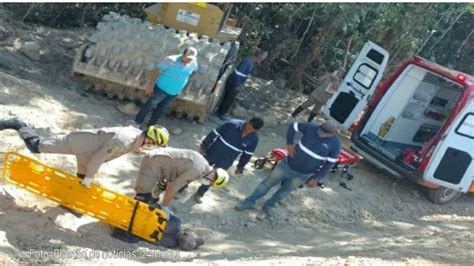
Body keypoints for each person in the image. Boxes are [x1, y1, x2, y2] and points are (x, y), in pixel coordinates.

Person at [0, 117, 170, 186]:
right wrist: (90, 178)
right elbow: (98, 159)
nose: (149, 146)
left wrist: (86, 178)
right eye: (152, 143)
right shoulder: (124, 140)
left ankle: (70, 202)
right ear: (149, 137)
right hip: (78, 144)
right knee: (35, 146)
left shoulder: (135, 138)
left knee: (81, 180)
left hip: (87, 153)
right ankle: (17, 124)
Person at [235, 121, 341, 217]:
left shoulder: (335, 144)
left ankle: (268, 206)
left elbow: (329, 164)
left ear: (332, 134)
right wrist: (289, 144)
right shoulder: (310, 127)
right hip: (286, 165)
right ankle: (248, 203)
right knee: (266, 184)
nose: (320, 134)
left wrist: (317, 178)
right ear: (320, 126)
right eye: (320, 131)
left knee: (284, 191)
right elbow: (292, 126)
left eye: (324, 134)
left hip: (303, 175)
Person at [184, 117, 264, 203]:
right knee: (198, 169)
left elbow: (247, 154)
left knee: (214, 177)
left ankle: (200, 193)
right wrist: (204, 146)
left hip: (226, 161)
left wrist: (240, 166)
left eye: (252, 131)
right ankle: (182, 186)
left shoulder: (254, 139)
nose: (249, 131)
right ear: (248, 122)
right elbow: (213, 134)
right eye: (248, 128)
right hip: (212, 153)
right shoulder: (231, 124)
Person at [133, 147, 230, 217]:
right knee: (143, 196)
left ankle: (144, 209)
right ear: (212, 175)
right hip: (154, 161)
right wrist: (165, 206)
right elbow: (172, 188)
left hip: (161, 162)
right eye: (211, 183)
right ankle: (129, 221)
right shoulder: (197, 170)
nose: (208, 184)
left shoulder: (203, 166)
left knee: (154, 196)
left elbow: (175, 175)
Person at [135, 47, 199, 127]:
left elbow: (194, 71)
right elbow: (157, 72)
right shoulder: (170, 60)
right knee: (149, 105)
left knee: (161, 110)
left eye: (192, 59)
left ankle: (151, 127)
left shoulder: (193, 63)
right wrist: (150, 85)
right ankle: (137, 122)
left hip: (174, 93)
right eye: (188, 58)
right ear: (183, 54)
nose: (190, 60)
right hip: (161, 89)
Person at [216, 50, 268, 120]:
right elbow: (238, 73)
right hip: (233, 82)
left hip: (237, 82)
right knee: (228, 99)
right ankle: (221, 113)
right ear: (259, 57)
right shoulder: (247, 61)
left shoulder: (251, 62)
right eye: (262, 59)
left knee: (229, 98)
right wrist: (237, 84)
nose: (261, 62)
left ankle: (221, 112)